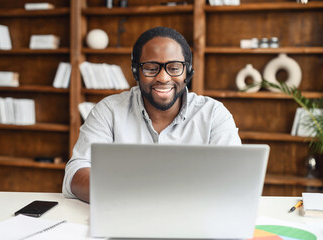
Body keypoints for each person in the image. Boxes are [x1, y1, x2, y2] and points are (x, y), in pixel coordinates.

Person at [63, 27, 241, 202]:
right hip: (125, 214)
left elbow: (234, 178)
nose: (163, 78)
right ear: (136, 72)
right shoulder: (108, 111)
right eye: (150, 68)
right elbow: (76, 172)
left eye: (174, 67)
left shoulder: (214, 114)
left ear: (188, 71)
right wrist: (130, 196)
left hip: (194, 220)